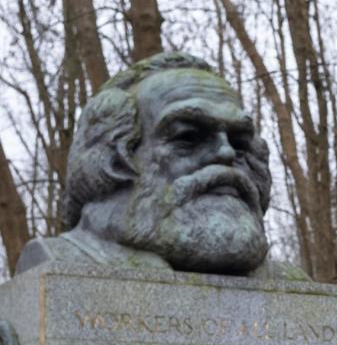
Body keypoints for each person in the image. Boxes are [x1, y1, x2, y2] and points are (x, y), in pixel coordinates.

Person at [17, 51, 275, 276]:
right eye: (189, 137)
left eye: (240, 141)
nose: (226, 152)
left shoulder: (287, 282)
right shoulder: (63, 261)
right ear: (114, 159)